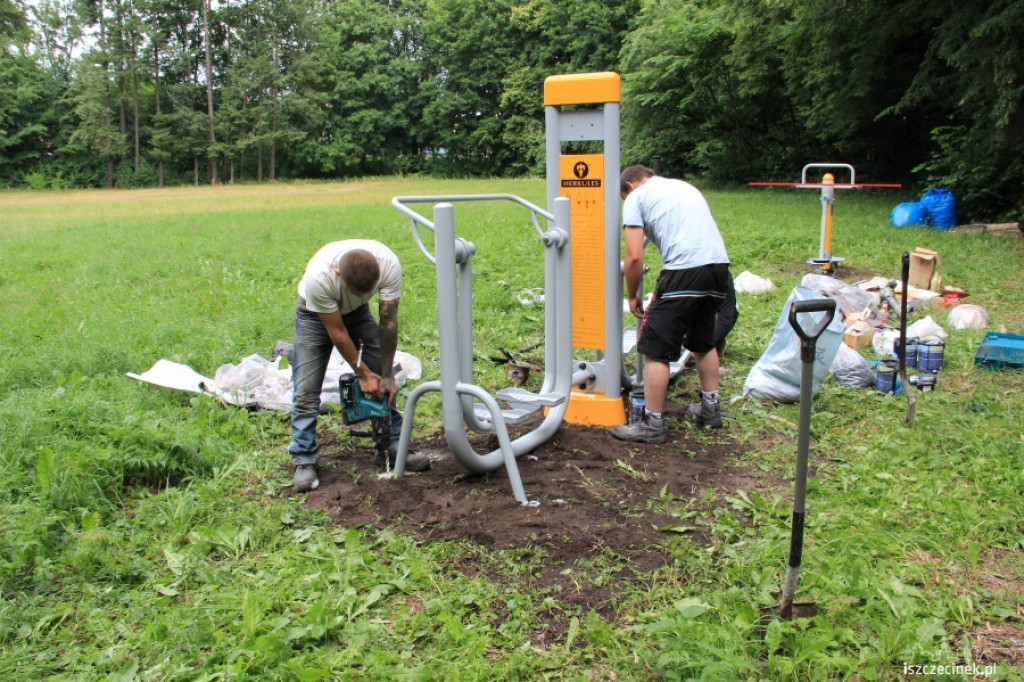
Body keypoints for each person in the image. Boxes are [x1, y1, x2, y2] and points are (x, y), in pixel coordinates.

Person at [289, 239, 430, 493]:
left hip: (357, 312)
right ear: (338, 274)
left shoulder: (388, 264)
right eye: (359, 292)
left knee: (382, 373)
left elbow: (388, 323)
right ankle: (304, 460)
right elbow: (338, 333)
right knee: (306, 389)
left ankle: (389, 443)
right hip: (315, 315)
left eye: (370, 291)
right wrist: (363, 374)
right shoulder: (319, 278)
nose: (367, 295)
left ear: (377, 268)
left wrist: (386, 375)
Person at [612, 165, 731, 444]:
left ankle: (651, 425)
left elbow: (633, 258)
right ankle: (710, 410)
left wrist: (632, 296)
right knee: (703, 342)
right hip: (718, 269)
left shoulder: (635, 197)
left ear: (629, 185)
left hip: (683, 271)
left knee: (655, 349)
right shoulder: (683, 186)